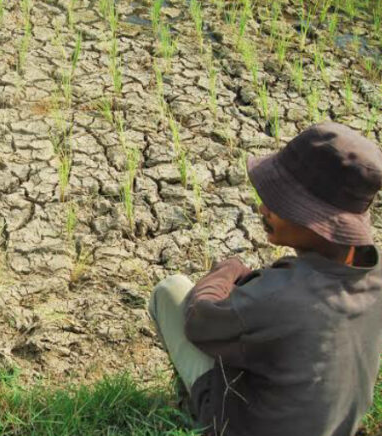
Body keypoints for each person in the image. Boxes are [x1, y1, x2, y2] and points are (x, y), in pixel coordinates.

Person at [148, 122, 382, 436]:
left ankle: (194, 411)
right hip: (340, 426)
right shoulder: (374, 274)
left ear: (315, 219)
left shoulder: (279, 296)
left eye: (278, 202)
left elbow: (198, 319)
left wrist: (228, 270)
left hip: (245, 426)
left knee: (171, 291)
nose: (263, 207)